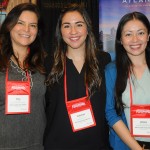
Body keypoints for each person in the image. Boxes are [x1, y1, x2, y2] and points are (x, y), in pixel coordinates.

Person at [44, 3, 111, 150]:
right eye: (67, 26)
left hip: (97, 145)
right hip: (58, 145)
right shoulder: (49, 64)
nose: (73, 31)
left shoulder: (103, 60)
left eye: (79, 24)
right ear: (60, 31)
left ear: (87, 28)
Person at [0, 3, 46, 150]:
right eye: (20, 23)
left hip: (38, 144)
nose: (26, 29)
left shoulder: (43, 63)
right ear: (9, 25)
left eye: (32, 25)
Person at [105, 11, 150, 150]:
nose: (135, 39)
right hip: (126, 145)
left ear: (148, 35)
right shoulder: (112, 71)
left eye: (140, 33)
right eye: (128, 34)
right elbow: (110, 112)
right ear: (120, 39)